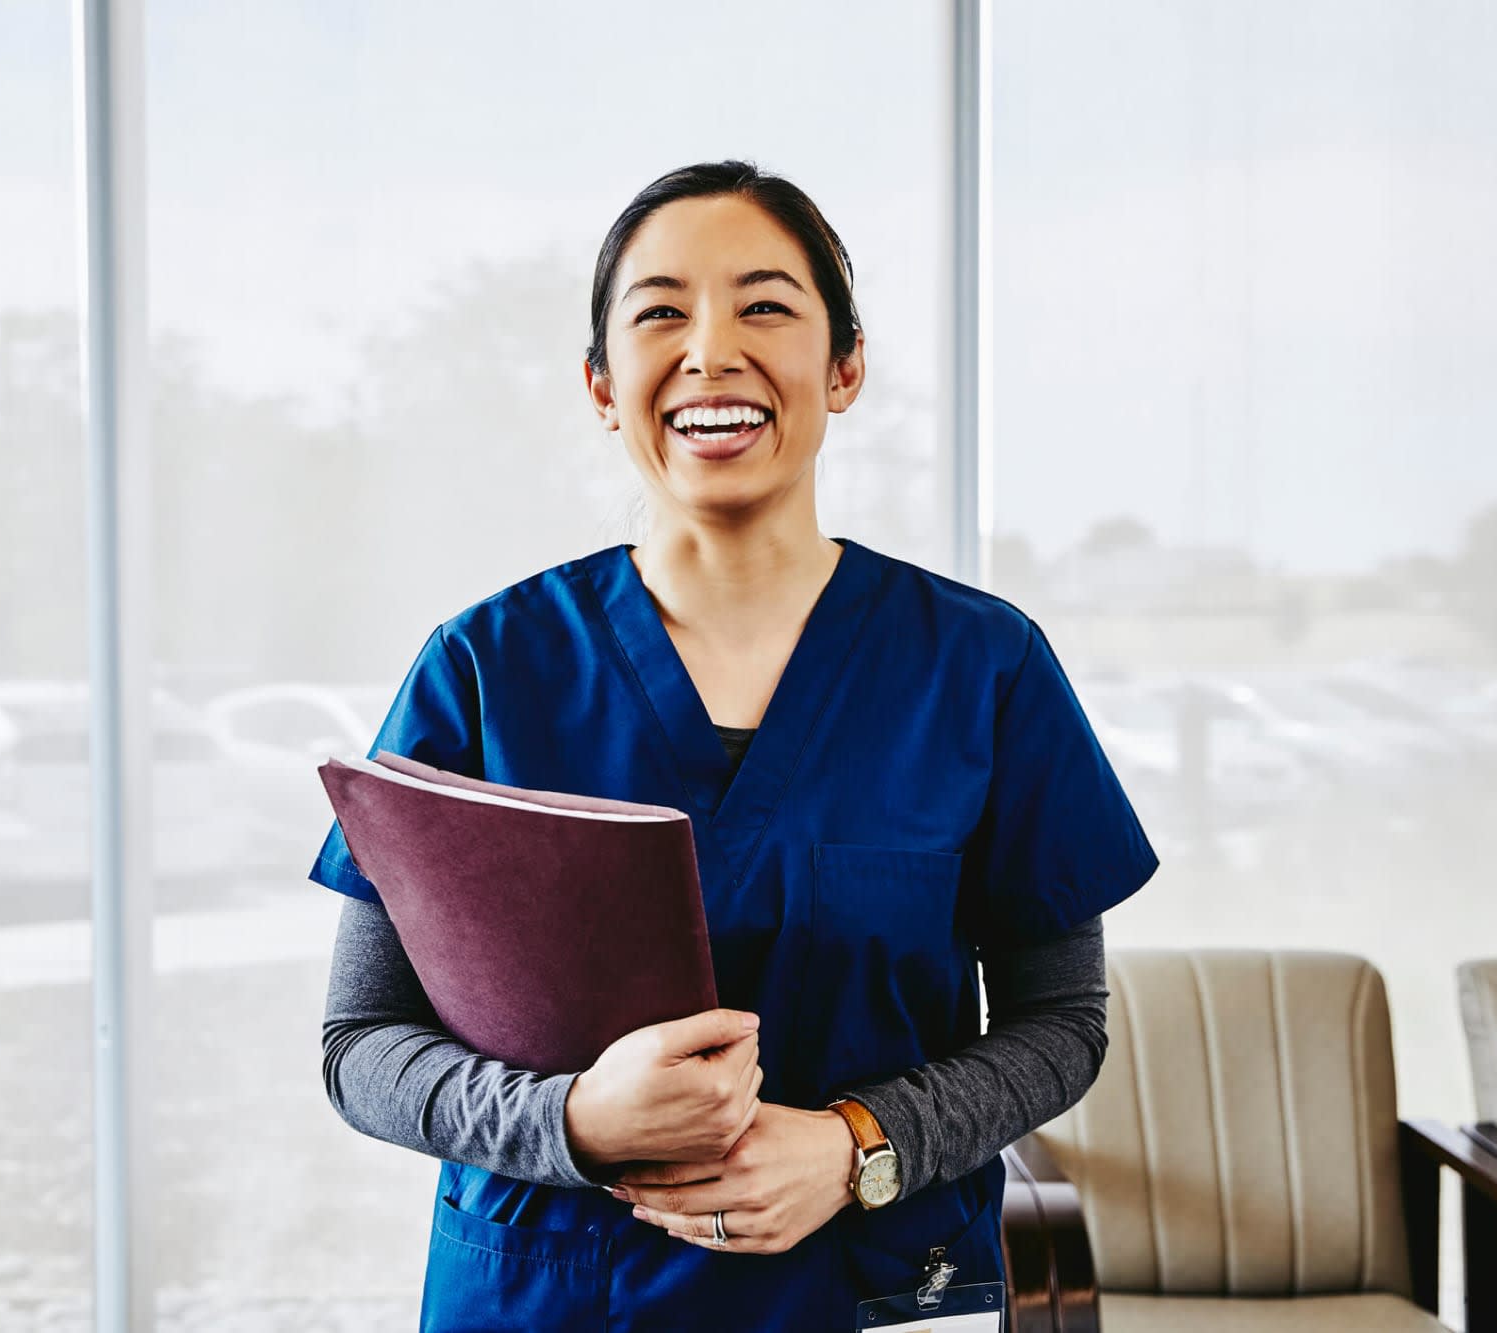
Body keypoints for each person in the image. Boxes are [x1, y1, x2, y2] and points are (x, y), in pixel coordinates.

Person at [311, 159, 1159, 1331]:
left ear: (843, 367)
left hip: (866, 1281)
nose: (710, 350)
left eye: (764, 305)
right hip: (548, 1291)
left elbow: (1060, 1024)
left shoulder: (983, 668)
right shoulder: (482, 670)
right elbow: (359, 1044)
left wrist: (858, 1146)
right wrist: (569, 1123)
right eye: (660, 311)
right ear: (603, 385)